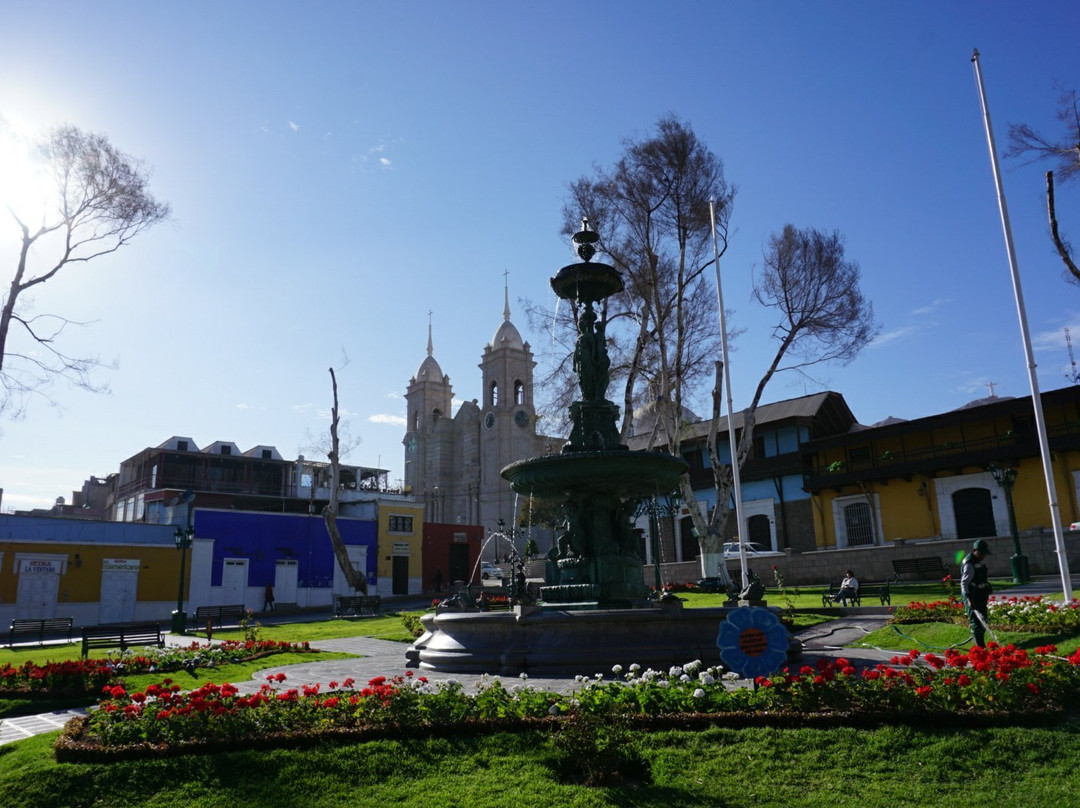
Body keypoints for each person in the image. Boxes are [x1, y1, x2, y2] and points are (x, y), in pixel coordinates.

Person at [961, 539, 992, 647]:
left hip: (980, 594)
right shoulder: (969, 564)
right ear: (974, 550)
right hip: (972, 595)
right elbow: (964, 583)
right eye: (981, 553)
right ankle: (980, 648)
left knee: (983, 619)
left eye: (984, 553)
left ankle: (980, 643)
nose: (983, 555)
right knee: (976, 621)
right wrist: (969, 600)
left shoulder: (977, 561)